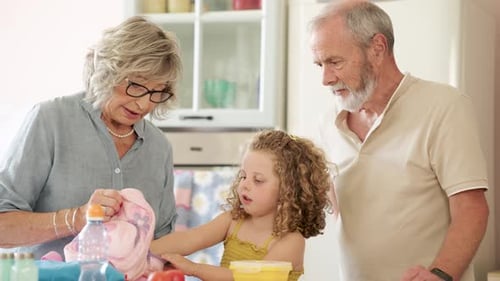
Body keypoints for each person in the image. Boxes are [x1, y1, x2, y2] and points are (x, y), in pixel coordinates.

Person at [309, 1, 489, 281]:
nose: (325, 78)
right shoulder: (327, 122)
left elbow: (472, 208)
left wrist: (440, 275)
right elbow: (339, 211)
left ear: (377, 49)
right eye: (319, 64)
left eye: (335, 62)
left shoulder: (444, 106)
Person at [0, 16, 181, 259]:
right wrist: (77, 218)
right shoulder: (51, 120)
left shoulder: (159, 147)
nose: (144, 103)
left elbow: (162, 243)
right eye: (136, 86)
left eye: (157, 92)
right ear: (107, 71)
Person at [150, 129, 334, 281]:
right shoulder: (233, 220)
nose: (245, 184)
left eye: (258, 180)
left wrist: (194, 268)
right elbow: (189, 239)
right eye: (244, 176)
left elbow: (247, 279)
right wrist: (141, 249)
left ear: (289, 190)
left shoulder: (290, 241)